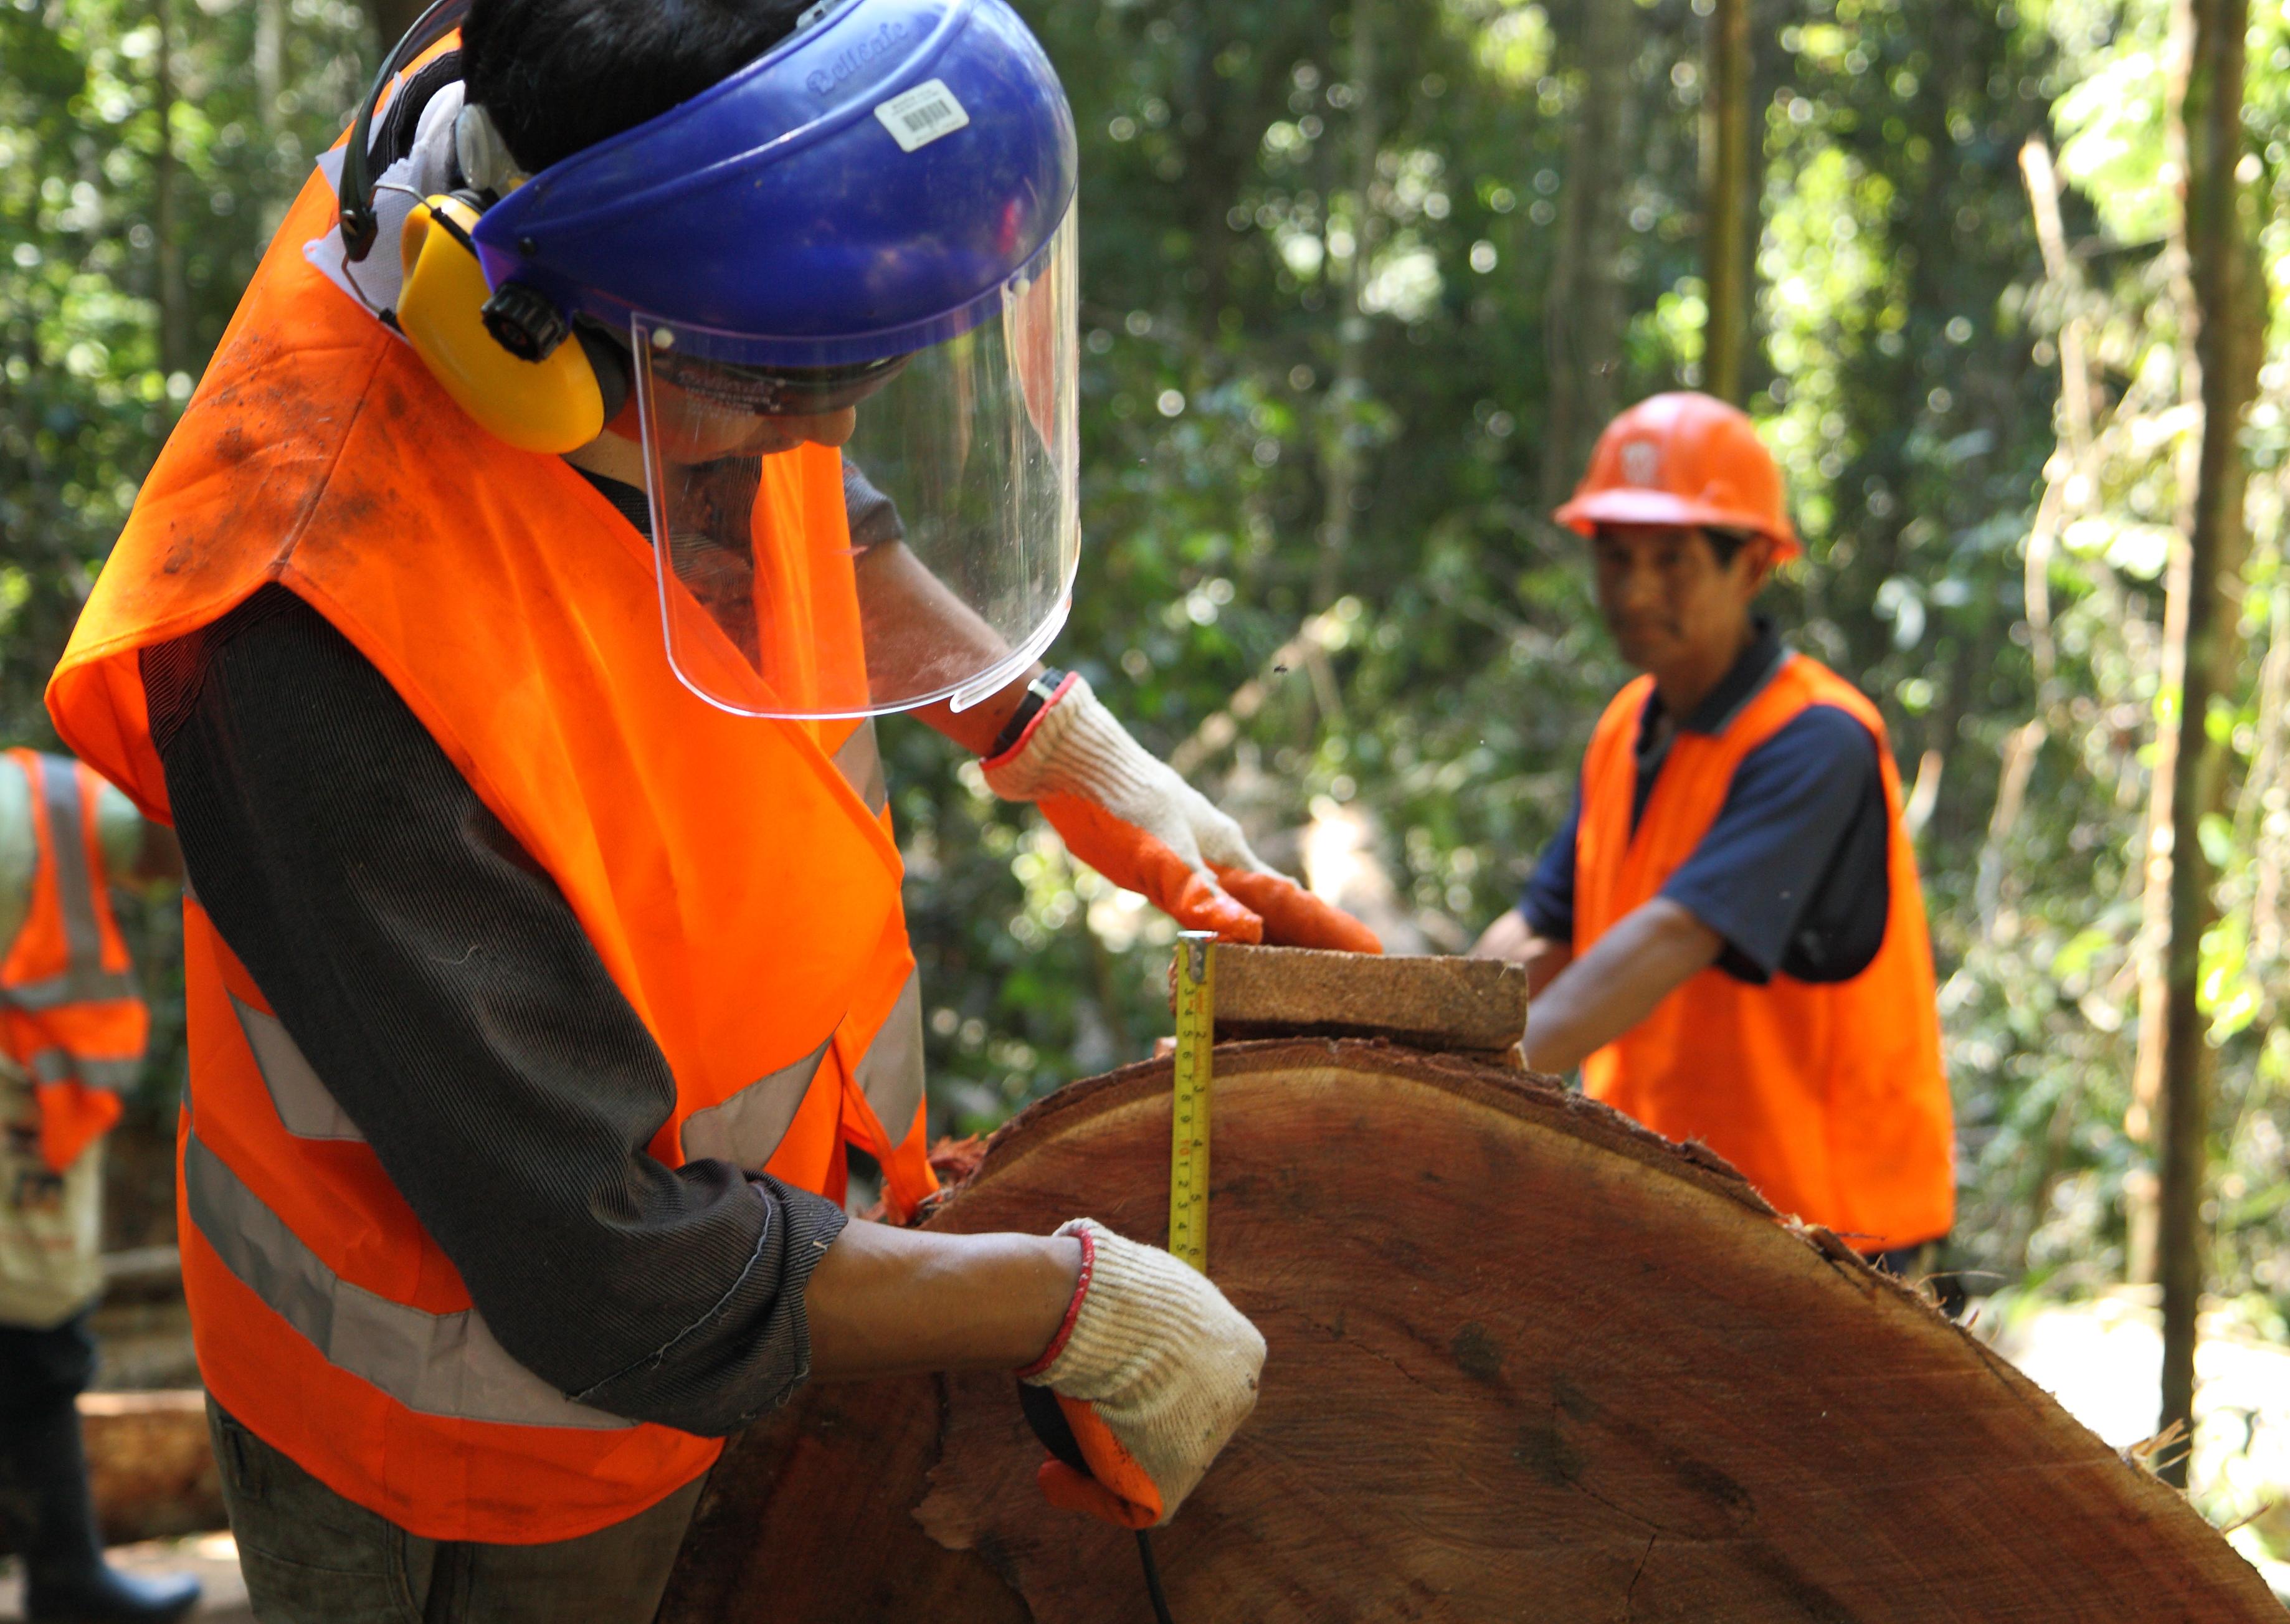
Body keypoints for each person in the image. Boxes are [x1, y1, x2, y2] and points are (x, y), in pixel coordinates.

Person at [46, 0, 1374, 1615]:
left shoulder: (587, 226)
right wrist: (1067, 1306)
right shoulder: (304, 636)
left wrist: (1041, 733)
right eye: (778, 393)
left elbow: (782, 494)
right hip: (474, 1448)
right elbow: (613, 1271)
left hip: (777, 1290)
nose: (826, 440)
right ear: (520, 345)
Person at [1473, 392, 1954, 1271]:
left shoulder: (1818, 740)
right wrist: (1422, 1034)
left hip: (1832, 1241)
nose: (1634, 589)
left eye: (1673, 560)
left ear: (1755, 565)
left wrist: (1462, 1090)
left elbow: (1675, 933)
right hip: (1676, 1216)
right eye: (1615, 559)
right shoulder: (1629, 724)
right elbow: (1545, 929)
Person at [0, 751, 199, 1622]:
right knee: (37, 1342)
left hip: (32, 1107)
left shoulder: (42, 803)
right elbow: (177, 845)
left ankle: (68, 1572)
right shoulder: (50, 806)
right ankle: (68, 1576)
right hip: (22, 1114)